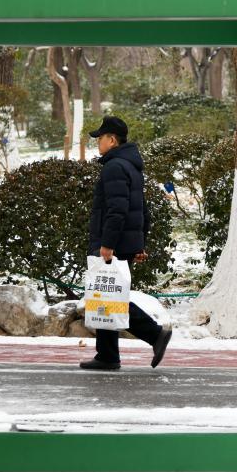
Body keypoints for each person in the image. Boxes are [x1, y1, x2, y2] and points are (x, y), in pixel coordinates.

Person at [80, 115, 172, 371]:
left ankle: (155, 334)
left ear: (112, 139)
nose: (98, 143)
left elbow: (118, 209)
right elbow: (141, 208)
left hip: (113, 243)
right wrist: (140, 242)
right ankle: (107, 355)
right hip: (125, 241)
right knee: (105, 293)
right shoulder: (131, 166)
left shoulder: (114, 167)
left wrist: (107, 243)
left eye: (100, 138)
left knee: (108, 296)